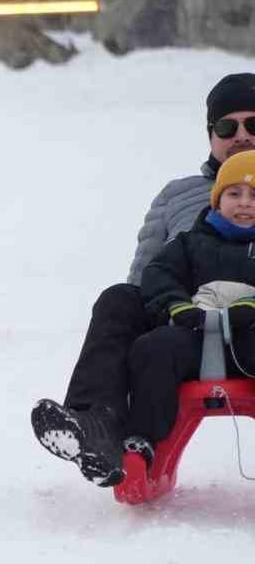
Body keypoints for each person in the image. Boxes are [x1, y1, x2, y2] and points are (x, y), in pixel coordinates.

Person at [32, 73, 255, 484]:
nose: (241, 136)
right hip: (180, 330)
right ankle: (94, 426)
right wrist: (173, 307)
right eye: (227, 127)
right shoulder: (178, 195)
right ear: (211, 136)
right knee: (119, 298)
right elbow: (145, 277)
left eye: (252, 124)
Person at [118, 151, 255, 456]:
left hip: (248, 345)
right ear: (217, 200)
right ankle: (143, 443)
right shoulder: (190, 242)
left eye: (254, 195)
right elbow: (158, 274)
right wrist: (178, 306)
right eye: (234, 193)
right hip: (193, 335)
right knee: (153, 348)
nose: (245, 202)